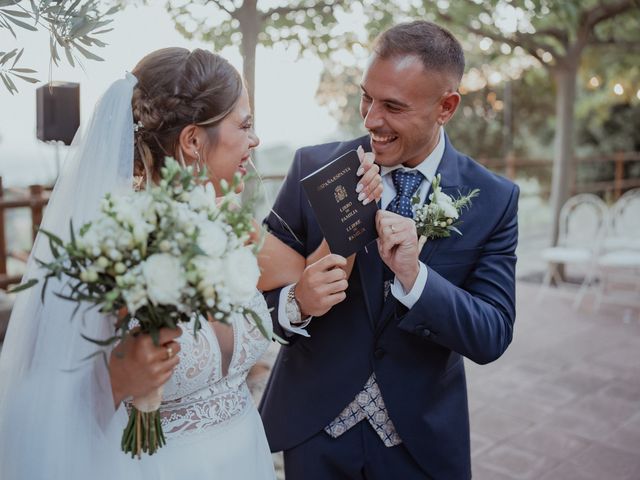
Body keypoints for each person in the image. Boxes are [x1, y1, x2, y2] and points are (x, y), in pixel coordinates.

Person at [0, 48, 381, 479]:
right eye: (245, 125)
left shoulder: (230, 226)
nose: (254, 140)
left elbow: (309, 279)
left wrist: (351, 203)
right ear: (194, 141)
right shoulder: (108, 242)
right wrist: (119, 382)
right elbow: (39, 406)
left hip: (243, 456)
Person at [259, 21, 520, 479]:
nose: (370, 120)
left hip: (419, 444)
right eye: (367, 97)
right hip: (312, 430)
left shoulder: (494, 199)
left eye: (393, 107)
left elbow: (491, 334)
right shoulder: (313, 169)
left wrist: (416, 279)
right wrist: (298, 303)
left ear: (446, 106)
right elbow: (262, 303)